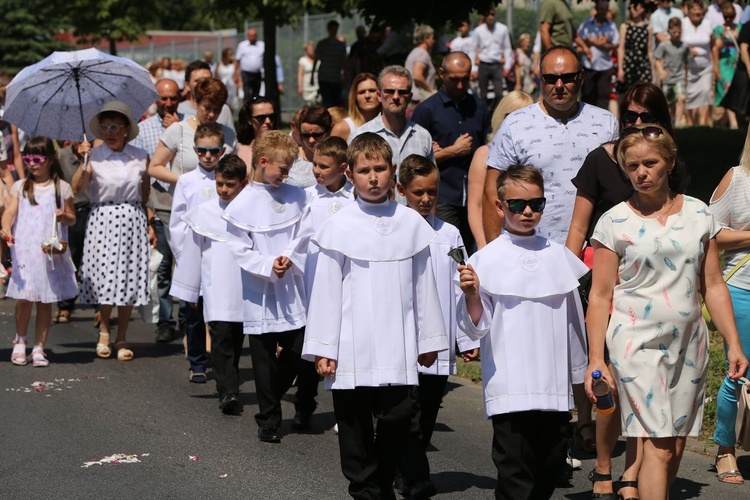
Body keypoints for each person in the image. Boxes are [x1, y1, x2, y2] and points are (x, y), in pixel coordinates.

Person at [586, 124, 749, 499]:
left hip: (689, 346)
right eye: (632, 166)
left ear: (670, 163)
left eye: (650, 163)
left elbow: (712, 285)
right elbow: (600, 297)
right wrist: (597, 358)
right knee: (658, 445)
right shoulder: (614, 221)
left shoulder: (699, 214)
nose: (641, 173)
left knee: (674, 446)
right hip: (634, 345)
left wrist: (734, 344)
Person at [301, 132, 448, 499]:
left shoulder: (411, 223)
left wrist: (430, 339)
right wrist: (324, 347)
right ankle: (365, 489)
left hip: (397, 344)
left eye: (380, 169)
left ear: (392, 171)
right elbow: (326, 290)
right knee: (353, 425)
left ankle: (381, 480)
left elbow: (424, 286)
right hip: (351, 343)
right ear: (350, 174)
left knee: (399, 418)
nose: (373, 177)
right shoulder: (339, 225)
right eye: (364, 170)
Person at [565, 82, 685, 499]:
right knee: (609, 383)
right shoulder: (601, 160)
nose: (637, 124)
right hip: (604, 281)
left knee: (643, 384)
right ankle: (603, 465)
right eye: (629, 117)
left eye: (646, 118)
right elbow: (579, 226)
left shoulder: (668, 160)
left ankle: (632, 473)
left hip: (653, 291)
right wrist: (567, 278)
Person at [457, 164, 589, 500]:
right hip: (511, 381)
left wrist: (581, 375)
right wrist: (472, 295)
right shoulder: (485, 260)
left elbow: (574, 323)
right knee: (515, 470)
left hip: (553, 384)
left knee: (551, 464)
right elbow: (476, 326)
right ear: (500, 207)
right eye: (517, 204)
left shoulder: (557, 255)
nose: (527, 212)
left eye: (535, 204)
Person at [395, 154, 480, 499]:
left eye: (432, 191)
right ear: (401, 190)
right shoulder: (394, 228)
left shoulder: (450, 233)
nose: (427, 199)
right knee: (407, 407)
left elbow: (459, 288)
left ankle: (405, 467)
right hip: (404, 336)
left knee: (428, 407)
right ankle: (414, 476)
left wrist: (465, 338)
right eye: (418, 193)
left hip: (440, 336)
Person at [223, 130, 313, 443]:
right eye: (283, 169)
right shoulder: (242, 203)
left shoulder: (297, 196)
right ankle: (269, 418)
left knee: (298, 348)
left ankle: (273, 392)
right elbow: (238, 246)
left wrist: (289, 256)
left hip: (291, 285)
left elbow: (305, 232)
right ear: (263, 162)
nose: (286, 175)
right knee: (261, 355)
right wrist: (266, 265)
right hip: (259, 288)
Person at [483, 45, 618, 245]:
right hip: (529, 249)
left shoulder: (606, 123)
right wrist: (494, 254)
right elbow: (492, 193)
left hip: (592, 249)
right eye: (551, 78)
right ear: (540, 77)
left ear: (581, 77)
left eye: (568, 77)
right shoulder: (515, 125)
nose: (559, 85)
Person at [73, 101, 157, 361]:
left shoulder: (140, 156)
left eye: (114, 127)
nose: (108, 132)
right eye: (104, 127)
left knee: (128, 279)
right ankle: (104, 331)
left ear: (125, 129)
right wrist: (84, 160)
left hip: (132, 219)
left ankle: (122, 336)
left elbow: (144, 192)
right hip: (103, 219)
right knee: (105, 277)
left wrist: (149, 221)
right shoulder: (94, 155)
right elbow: (76, 188)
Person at [170, 154, 249, 414]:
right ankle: (229, 391)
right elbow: (193, 253)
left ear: (243, 182)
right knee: (220, 334)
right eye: (219, 184)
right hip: (215, 284)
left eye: (230, 185)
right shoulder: (204, 213)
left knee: (236, 338)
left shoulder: (252, 209)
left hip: (244, 286)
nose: (224, 190)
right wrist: (190, 290)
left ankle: (228, 381)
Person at [2, 137, 77, 367]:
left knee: (45, 300)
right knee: (25, 298)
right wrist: (5, 227)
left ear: (51, 159)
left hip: (49, 252)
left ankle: (39, 347)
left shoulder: (61, 187)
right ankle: (20, 341)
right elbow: (10, 212)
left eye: (37, 159)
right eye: (27, 159)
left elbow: (72, 218)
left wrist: (64, 216)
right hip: (25, 248)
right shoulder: (21, 185)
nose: (32, 164)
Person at [299, 136, 355, 430]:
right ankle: (303, 403)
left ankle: (342, 410)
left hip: (343, 276)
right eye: (315, 165)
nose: (317, 171)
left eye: (324, 166)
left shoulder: (354, 199)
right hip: (311, 276)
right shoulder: (307, 197)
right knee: (313, 343)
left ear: (343, 167)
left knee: (340, 342)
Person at [412, 51, 491, 253]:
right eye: (454, 79)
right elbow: (417, 163)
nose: (459, 85)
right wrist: (451, 152)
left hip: (477, 197)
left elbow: (487, 148)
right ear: (441, 73)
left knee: (478, 253)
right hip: (445, 195)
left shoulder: (479, 107)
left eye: (465, 79)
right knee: (449, 252)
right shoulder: (426, 111)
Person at [707, 125, 750, 484]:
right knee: (740, 371)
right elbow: (711, 232)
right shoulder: (738, 178)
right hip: (742, 289)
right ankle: (725, 450)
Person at [170, 123, 227, 383]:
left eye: (213, 151)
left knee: (221, 313)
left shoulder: (228, 180)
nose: (207, 156)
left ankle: (222, 361)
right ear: (195, 150)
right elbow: (178, 222)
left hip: (221, 257)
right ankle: (197, 362)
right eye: (202, 150)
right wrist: (184, 258)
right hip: (194, 256)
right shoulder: (186, 180)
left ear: (222, 151)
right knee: (194, 313)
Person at [130, 78, 184, 343]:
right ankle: (165, 319)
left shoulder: (189, 124)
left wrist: (179, 132)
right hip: (159, 203)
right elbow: (142, 176)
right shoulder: (143, 130)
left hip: (186, 204)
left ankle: (187, 317)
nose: (169, 103)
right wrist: (147, 212)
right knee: (162, 267)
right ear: (155, 99)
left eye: (173, 97)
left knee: (186, 265)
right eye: (163, 98)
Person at [352, 65, 434, 203]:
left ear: (409, 96)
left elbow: (431, 183)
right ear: (379, 95)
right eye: (390, 91)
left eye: (402, 92)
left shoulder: (423, 136)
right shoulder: (361, 135)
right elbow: (351, 186)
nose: (396, 97)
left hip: (414, 220)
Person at [467, 90, 533, 250]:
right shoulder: (484, 154)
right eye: (512, 116)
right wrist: (483, 245)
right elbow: (476, 205)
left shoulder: (534, 156)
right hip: (493, 240)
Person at [149, 78, 236, 198]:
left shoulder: (228, 134)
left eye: (217, 109)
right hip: (185, 201)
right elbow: (154, 167)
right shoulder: (177, 130)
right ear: (196, 102)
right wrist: (183, 180)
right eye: (207, 108)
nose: (211, 114)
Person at [54, 142, 90, 325]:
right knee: (71, 258)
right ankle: (65, 306)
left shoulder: (97, 156)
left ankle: (101, 308)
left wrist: (88, 158)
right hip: (72, 211)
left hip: (93, 210)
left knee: (95, 261)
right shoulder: (62, 156)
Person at [577, 0, 620, 110]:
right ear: (596, 8)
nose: (603, 11)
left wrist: (604, 44)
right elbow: (577, 44)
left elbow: (616, 44)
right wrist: (589, 42)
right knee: (587, 97)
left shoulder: (611, 26)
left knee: (603, 98)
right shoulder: (586, 24)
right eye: (601, 8)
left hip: (605, 67)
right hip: (589, 66)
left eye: (605, 9)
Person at [177, 61, 235, 132]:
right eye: (197, 81)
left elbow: (230, 138)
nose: (203, 84)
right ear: (187, 86)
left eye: (208, 80)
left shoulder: (224, 109)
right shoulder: (178, 109)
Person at [473, 7, 514, 107]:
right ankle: (484, 115)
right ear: (484, 17)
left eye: (492, 14)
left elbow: (507, 47)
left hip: (497, 65)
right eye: (488, 15)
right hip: (483, 64)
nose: (490, 17)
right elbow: (473, 49)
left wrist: (507, 66)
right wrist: (473, 68)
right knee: (482, 94)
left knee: (499, 93)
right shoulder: (478, 30)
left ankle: (496, 115)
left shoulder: (502, 29)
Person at [683, 0, 715, 126]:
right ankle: (690, 123)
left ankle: (702, 123)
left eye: (699, 9)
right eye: (694, 9)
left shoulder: (707, 24)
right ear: (689, 10)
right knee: (689, 95)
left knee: (706, 92)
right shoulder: (683, 23)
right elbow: (677, 42)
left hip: (706, 66)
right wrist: (688, 50)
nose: (697, 12)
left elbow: (713, 44)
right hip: (688, 67)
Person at [712, 1, 742, 128]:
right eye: (726, 17)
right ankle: (733, 123)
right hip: (724, 65)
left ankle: (729, 122)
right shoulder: (718, 30)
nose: (728, 19)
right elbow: (715, 49)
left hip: (737, 64)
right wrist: (716, 69)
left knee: (737, 91)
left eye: (731, 17)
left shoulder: (740, 28)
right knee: (727, 89)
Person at [654, 19, 688, 126]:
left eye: (679, 32)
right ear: (669, 31)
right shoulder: (664, 45)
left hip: (679, 77)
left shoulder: (684, 46)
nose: (677, 34)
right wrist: (661, 71)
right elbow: (657, 60)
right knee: (668, 104)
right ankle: (670, 123)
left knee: (681, 98)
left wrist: (687, 75)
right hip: (667, 78)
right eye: (674, 32)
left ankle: (678, 123)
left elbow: (686, 62)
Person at [617, 0, 655, 97]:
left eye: (635, 8)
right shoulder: (625, 26)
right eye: (630, 8)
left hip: (643, 65)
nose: (632, 10)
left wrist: (652, 70)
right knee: (628, 94)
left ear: (642, 9)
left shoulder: (648, 28)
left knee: (644, 94)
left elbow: (649, 51)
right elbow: (621, 49)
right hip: (629, 65)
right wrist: (620, 69)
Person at [289, 105, 332, 189]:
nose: (311, 140)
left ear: (328, 132)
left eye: (317, 135)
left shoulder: (340, 157)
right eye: (305, 135)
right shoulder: (290, 158)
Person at [333, 73, 381, 141]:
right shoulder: (342, 128)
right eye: (362, 92)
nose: (367, 96)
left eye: (372, 90)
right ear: (355, 97)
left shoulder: (390, 125)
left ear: (380, 94)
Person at [313, 20, 347, 108]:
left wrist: (345, 77)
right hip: (324, 77)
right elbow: (315, 60)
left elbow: (344, 62)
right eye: (332, 29)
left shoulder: (341, 45)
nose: (333, 32)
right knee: (327, 102)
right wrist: (312, 76)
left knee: (336, 103)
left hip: (336, 78)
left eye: (335, 30)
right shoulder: (322, 44)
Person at [235, 96, 276, 170]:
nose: (268, 121)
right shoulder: (238, 150)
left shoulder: (284, 146)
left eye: (272, 116)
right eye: (261, 118)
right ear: (249, 120)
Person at [720, 20, 750, 119]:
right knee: (739, 104)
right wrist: (749, 69)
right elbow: (744, 50)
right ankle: (736, 127)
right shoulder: (747, 26)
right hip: (744, 70)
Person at [405, 25, 437, 109]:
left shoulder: (414, 52)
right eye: (432, 38)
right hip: (420, 99)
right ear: (426, 38)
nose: (434, 41)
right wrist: (431, 90)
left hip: (413, 98)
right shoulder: (422, 54)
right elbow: (417, 76)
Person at [234, 28, 264, 104]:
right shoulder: (242, 45)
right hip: (246, 73)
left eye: (254, 36)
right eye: (251, 36)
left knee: (256, 93)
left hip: (257, 73)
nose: (252, 38)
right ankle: (247, 109)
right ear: (247, 36)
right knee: (247, 93)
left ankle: (255, 108)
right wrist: (236, 73)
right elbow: (237, 60)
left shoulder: (262, 45)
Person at [298, 41, 319, 106]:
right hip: (306, 87)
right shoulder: (303, 60)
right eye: (310, 49)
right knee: (308, 105)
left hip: (317, 86)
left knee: (317, 104)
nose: (311, 51)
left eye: (312, 49)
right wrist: (300, 86)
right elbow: (300, 74)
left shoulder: (318, 60)